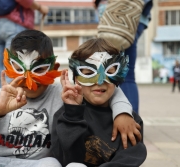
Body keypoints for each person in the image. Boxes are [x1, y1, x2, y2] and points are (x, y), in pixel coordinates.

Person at [0, 30, 141, 167]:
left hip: (38, 164)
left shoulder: (61, 94)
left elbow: (104, 86)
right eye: (20, 69)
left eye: (39, 69)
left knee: (52, 164)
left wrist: (122, 112)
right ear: (10, 67)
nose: (29, 78)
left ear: (53, 69)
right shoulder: (3, 95)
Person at [52, 38, 146, 167]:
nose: (100, 81)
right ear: (76, 78)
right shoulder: (64, 115)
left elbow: (131, 156)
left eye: (109, 72)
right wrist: (73, 114)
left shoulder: (130, 121)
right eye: (89, 73)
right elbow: (65, 159)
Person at [94, 0, 153, 114]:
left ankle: (127, 119)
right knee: (125, 74)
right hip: (132, 16)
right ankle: (130, 119)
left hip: (115, 17)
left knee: (117, 74)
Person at [0, 0, 49, 90]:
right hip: (14, 23)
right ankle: (8, 101)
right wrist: (40, 8)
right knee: (13, 70)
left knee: (2, 72)